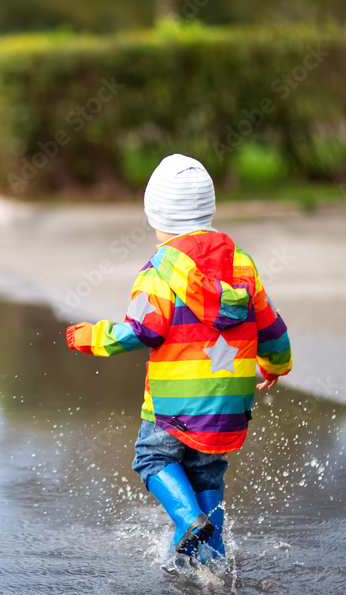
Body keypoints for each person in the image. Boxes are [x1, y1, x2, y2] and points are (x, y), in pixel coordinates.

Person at [65, 153, 292, 563]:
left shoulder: (158, 270)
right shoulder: (241, 263)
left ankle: (188, 521)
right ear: (209, 207)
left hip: (173, 405)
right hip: (228, 403)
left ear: (156, 214)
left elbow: (143, 330)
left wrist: (92, 336)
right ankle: (213, 557)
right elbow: (271, 326)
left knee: (152, 458)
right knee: (206, 473)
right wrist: (276, 365)